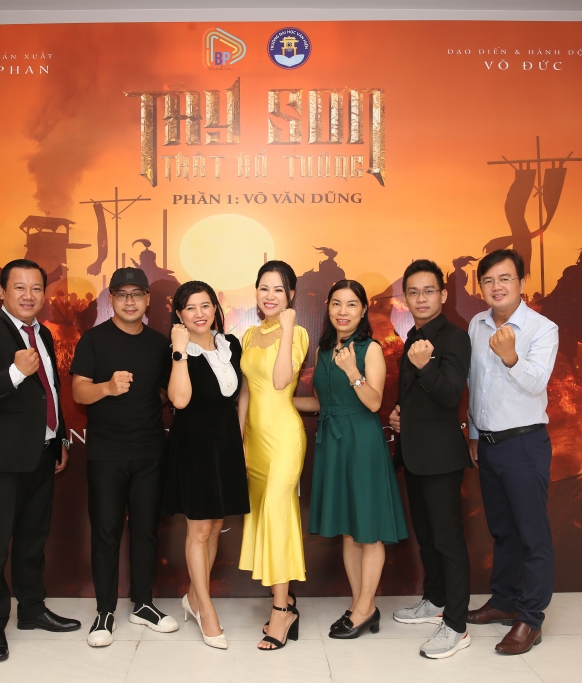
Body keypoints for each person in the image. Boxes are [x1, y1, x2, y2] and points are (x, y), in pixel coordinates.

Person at [0, 259, 80, 663]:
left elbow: (50, 391)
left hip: (42, 453)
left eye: (36, 288)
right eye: (19, 287)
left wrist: (59, 438)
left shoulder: (43, 333)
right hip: (2, 459)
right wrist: (14, 372)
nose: (28, 296)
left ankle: (31, 609)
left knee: (33, 540)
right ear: (2, 291)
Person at [70, 267, 179, 647]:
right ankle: (104, 611)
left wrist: (151, 400)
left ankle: (143, 604)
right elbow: (79, 392)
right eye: (121, 294)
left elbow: (165, 391)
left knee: (146, 531)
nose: (129, 301)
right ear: (111, 299)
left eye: (136, 294)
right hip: (106, 452)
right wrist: (108, 387)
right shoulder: (94, 339)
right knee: (106, 533)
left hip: (149, 450)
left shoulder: (159, 343)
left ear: (148, 299)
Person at [294, 280, 407, 640]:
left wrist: (353, 372)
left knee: (368, 530)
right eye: (337, 304)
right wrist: (279, 403)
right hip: (332, 442)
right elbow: (321, 403)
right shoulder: (323, 351)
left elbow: (374, 402)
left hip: (361, 442)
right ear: (328, 307)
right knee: (349, 529)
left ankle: (364, 608)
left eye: (352, 304)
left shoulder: (369, 348)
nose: (343, 311)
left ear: (363, 310)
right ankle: (361, 604)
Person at [464, 249, 559, 655]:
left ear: (521, 283)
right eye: (488, 280)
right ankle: (504, 600)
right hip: (488, 444)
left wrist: (510, 357)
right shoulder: (477, 323)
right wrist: (473, 433)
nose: (496, 287)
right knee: (503, 531)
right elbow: (475, 383)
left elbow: (536, 383)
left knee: (532, 535)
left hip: (524, 443)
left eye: (505, 279)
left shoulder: (542, 328)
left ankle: (530, 618)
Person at [388, 260, 473, 659]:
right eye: (413, 292)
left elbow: (449, 395)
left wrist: (424, 367)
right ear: (406, 298)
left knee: (448, 541)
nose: (420, 298)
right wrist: (399, 413)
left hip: (441, 457)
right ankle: (435, 600)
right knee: (426, 536)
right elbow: (416, 397)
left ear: (442, 294)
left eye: (428, 291)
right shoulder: (414, 336)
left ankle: (456, 625)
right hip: (415, 453)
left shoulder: (454, 338)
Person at [163, 281, 249, 650]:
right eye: (190, 308)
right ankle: (206, 609)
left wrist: (239, 440)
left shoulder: (231, 344)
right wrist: (179, 351)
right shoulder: (176, 349)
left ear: (215, 307)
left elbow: (242, 393)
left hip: (226, 446)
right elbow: (180, 400)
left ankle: (194, 599)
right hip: (194, 449)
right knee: (198, 530)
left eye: (205, 305)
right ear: (179, 315)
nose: (199, 313)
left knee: (214, 527)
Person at [237, 260, 309, 651]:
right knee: (263, 515)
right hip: (256, 441)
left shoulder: (296, 332)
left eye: (279, 289)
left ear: (290, 295)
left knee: (278, 515)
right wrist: (240, 442)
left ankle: (281, 611)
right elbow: (246, 392)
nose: (270, 296)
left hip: (284, 438)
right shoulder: (249, 334)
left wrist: (286, 326)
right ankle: (286, 600)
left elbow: (281, 380)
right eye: (264, 288)